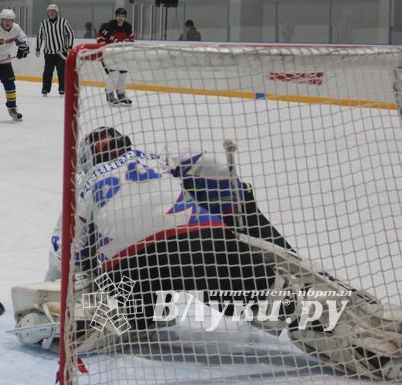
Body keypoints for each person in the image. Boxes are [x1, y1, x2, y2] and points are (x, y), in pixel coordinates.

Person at [34, 126, 402, 379]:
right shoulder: (156, 159)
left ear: (85, 161)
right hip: (201, 243)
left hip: (134, 267)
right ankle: (375, 351)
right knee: (282, 305)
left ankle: (123, 318)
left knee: (125, 312)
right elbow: (210, 166)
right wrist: (237, 200)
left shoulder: (83, 187)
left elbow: (64, 249)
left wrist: (56, 291)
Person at [97, 7, 135, 106]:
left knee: (123, 73)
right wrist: (102, 51)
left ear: (125, 17)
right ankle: (109, 94)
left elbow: (130, 41)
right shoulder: (108, 26)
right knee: (113, 73)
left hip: (120, 55)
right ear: (116, 16)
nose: (120, 18)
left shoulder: (127, 27)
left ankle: (121, 94)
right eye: (119, 16)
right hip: (108, 54)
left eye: (122, 16)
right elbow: (100, 38)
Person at [35, 4, 75, 96]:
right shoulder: (44, 23)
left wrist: (69, 47)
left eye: (53, 11)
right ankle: (45, 89)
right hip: (48, 52)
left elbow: (70, 34)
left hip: (61, 52)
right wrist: (38, 48)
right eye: (50, 11)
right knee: (47, 72)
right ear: (47, 13)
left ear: (56, 12)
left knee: (62, 72)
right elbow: (40, 36)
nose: (51, 13)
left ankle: (62, 89)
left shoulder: (63, 22)